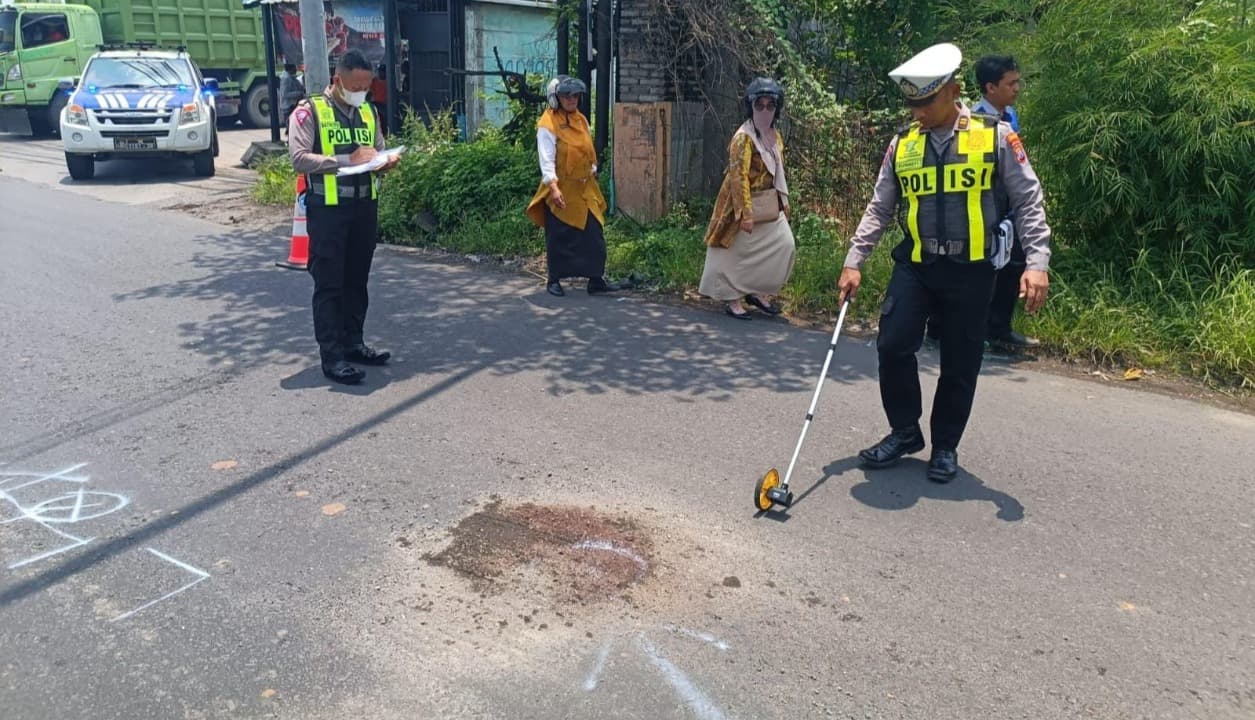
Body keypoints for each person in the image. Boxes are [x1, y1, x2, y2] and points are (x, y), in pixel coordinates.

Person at [837, 43, 1052, 482]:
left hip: (971, 270)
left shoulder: (994, 137)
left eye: (926, 103)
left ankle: (946, 446)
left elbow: (1028, 200)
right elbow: (880, 207)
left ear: (953, 91)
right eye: (912, 104)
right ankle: (904, 431)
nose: (918, 113)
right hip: (917, 264)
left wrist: (1037, 261)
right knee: (893, 344)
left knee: (960, 360)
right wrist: (854, 259)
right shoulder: (902, 144)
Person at [288, 49, 401, 385]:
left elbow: (377, 148)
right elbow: (298, 157)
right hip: (328, 211)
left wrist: (385, 160)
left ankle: (354, 343)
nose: (362, 91)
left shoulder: (368, 111)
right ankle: (333, 356)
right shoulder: (310, 112)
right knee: (329, 284)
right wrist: (344, 160)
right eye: (356, 85)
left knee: (357, 280)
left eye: (367, 85)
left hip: (364, 208)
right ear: (338, 80)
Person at [699, 77, 797, 320]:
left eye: (770, 105)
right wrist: (746, 214)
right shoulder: (743, 137)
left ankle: (758, 292)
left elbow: (779, 172)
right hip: (739, 205)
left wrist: (784, 203)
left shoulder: (775, 136)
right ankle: (732, 299)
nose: (765, 111)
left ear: (777, 109)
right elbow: (738, 176)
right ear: (750, 107)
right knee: (729, 253)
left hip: (768, 203)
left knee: (784, 245)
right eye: (759, 105)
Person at [525, 75, 621, 297]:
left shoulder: (581, 120)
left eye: (575, 95)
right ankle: (554, 280)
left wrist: (593, 170)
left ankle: (596, 280)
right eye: (566, 95)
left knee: (594, 234)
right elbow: (546, 159)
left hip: (584, 189)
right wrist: (554, 187)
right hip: (561, 188)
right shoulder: (547, 124)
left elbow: (588, 150)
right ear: (555, 98)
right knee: (559, 235)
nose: (572, 99)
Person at [278, 63, 305, 130]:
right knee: (291, 126)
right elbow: (285, 94)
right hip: (288, 106)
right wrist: (299, 93)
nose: (296, 70)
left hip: (291, 105)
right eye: (294, 69)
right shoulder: (286, 79)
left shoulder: (290, 77)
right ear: (290, 70)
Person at [370, 65, 388, 136]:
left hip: (385, 105)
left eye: (383, 72)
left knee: (383, 118)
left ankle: (384, 132)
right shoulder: (374, 81)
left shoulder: (388, 81)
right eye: (380, 71)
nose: (381, 73)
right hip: (375, 103)